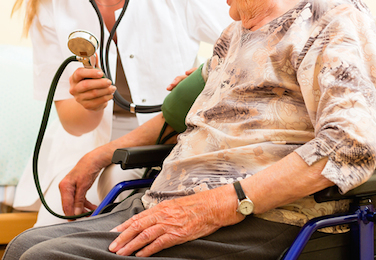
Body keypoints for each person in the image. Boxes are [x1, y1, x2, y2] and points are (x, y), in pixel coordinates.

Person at [3, 0, 376, 258]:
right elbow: (177, 116)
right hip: (170, 201)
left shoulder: (328, 19)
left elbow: (348, 144)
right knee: (25, 246)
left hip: (260, 215)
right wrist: (99, 155)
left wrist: (217, 205)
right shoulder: (235, 33)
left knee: (45, 257)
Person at [11, 0, 231, 226]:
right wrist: (89, 104)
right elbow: (75, 125)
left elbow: (252, 44)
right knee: (50, 228)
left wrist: (204, 77)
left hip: (168, 131)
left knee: (117, 189)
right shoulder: (48, 6)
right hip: (87, 141)